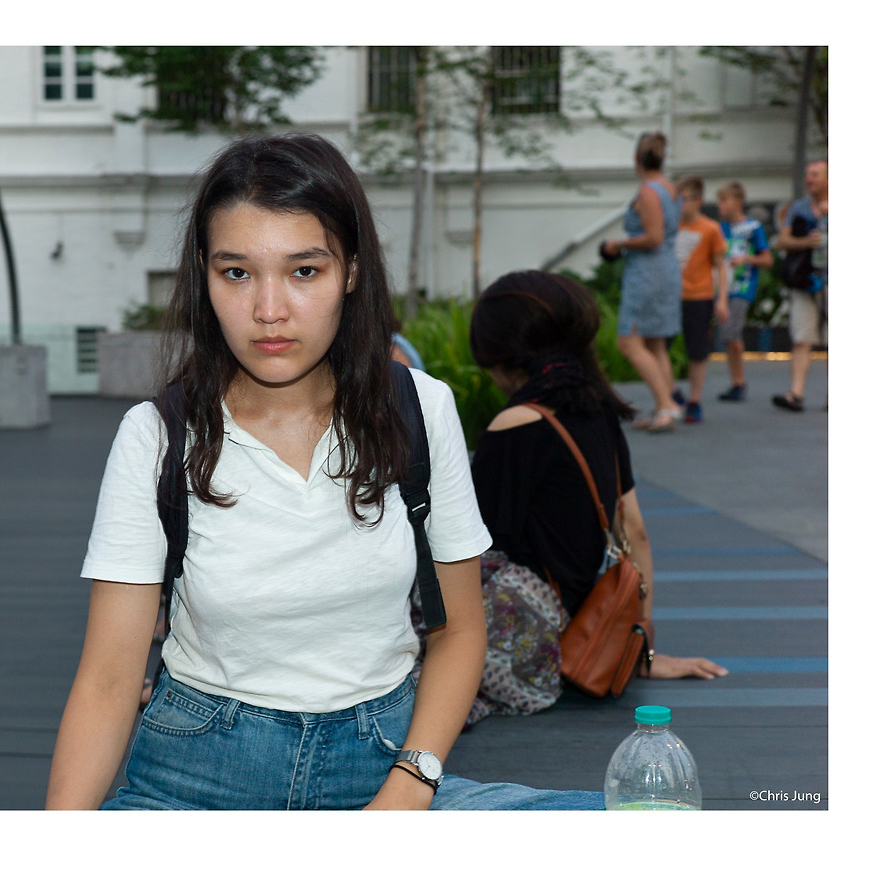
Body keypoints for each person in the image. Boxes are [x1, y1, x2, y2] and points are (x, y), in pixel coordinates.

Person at [46, 133, 603, 811]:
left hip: (383, 770)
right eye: (236, 273)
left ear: (352, 272)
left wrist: (409, 788)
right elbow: (108, 680)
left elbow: (458, 630)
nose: (269, 310)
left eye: (304, 271)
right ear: (203, 276)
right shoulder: (158, 436)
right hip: (195, 784)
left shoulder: (419, 411)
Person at [464, 270, 727, 722]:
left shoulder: (514, 426)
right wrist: (640, 651)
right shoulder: (598, 410)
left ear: (502, 356)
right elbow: (635, 531)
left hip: (525, 642)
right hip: (587, 637)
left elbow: (467, 547)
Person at [601, 133, 683, 432]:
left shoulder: (648, 192)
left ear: (637, 159)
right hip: (666, 269)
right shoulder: (671, 189)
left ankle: (666, 404)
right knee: (655, 342)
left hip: (647, 273)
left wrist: (619, 243)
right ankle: (666, 407)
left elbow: (654, 237)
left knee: (629, 342)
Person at [671, 176, 729, 424]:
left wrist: (722, 299)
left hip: (699, 296)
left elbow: (720, 266)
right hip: (671, 296)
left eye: (686, 199)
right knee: (658, 346)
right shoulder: (670, 226)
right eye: (678, 199)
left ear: (698, 200)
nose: (681, 204)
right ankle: (671, 391)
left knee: (697, 351)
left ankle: (694, 401)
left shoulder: (710, 228)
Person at [772, 159, 828, 412]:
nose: (809, 179)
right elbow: (782, 241)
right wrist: (806, 242)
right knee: (801, 338)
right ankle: (796, 394)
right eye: (807, 174)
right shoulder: (799, 207)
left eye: (815, 174)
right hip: (805, 281)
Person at [715, 181, 773, 402]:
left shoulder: (753, 228)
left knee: (732, 333)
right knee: (728, 335)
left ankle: (739, 381)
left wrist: (746, 259)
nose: (720, 205)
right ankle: (736, 381)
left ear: (738, 202)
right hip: (723, 288)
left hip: (742, 286)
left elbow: (767, 259)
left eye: (725, 200)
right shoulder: (720, 229)